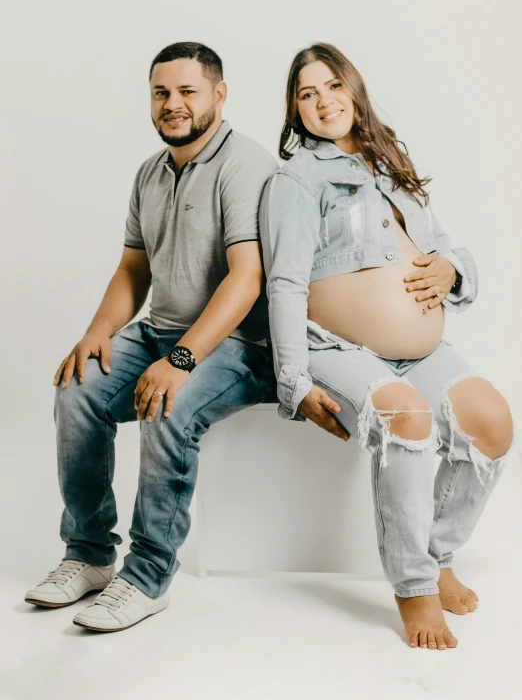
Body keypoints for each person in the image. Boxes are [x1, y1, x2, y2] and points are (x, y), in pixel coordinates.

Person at [259, 42, 514, 650]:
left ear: (354, 89)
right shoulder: (295, 180)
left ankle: (438, 552)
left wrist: (452, 270)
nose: (323, 101)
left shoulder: (390, 162)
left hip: (417, 349)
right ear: (295, 112)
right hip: (337, 348)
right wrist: (293, 384)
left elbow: (440, 242)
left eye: (332, 86)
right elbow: (285, 283)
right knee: (409, 417)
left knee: (492, 421)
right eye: (306, 93)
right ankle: (414, 587)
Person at [25, 42, 278, 632]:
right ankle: (89, 553)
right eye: (161, 92)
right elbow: (133, 270)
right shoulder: (151, 171)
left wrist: (184, 357)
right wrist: (97, 332)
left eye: (188, 91)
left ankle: (147, 576)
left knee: (168, 404)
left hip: (237, 344)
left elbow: (248, 278)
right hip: (157, 331)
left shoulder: (246, 165)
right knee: (77, 387)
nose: (173, 104)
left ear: (219, 94)